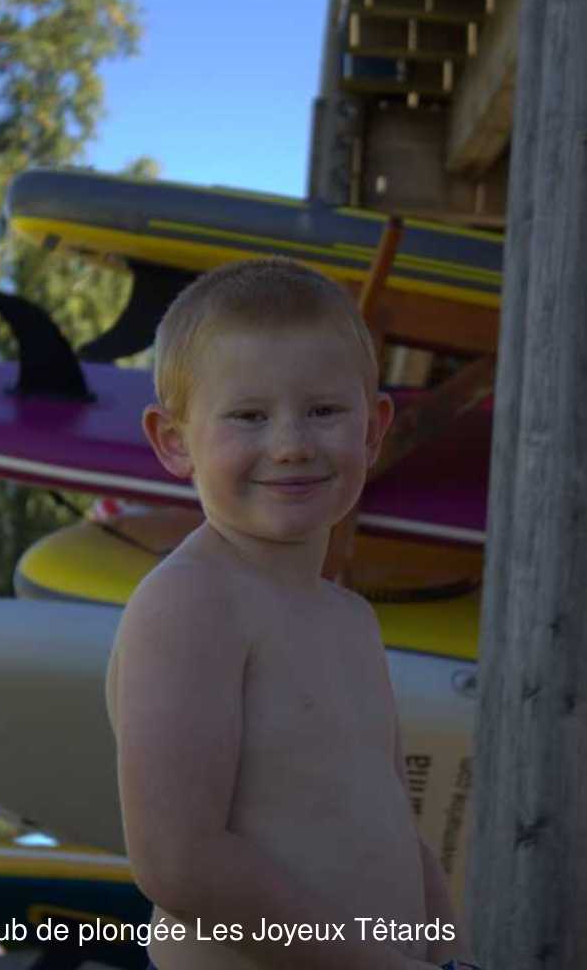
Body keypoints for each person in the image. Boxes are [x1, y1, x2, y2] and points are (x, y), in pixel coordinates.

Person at [105, 257, 478, 970]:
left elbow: (400, 838)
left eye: (324, 411)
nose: (292, 445)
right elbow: (179, 861)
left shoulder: (351, 620)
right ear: (174, 441)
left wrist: (446, 959)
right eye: (249, 416)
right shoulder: (193, 603)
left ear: (373, 430)